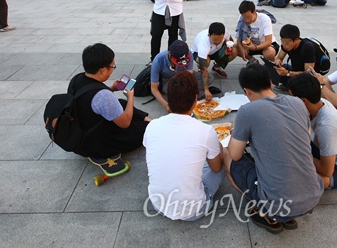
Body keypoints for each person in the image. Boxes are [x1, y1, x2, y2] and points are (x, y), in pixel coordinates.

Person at [222, 64, 323, 234]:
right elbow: (303, 138)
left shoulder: (247, 111)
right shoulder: (298, 103)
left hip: (277, 203)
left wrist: (235, 131)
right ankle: (287, 213)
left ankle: (266, 212)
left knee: (225, 156)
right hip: (313, 194)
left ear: (247, 91)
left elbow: (235, 154)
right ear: (270, 82)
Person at [143, 71, 224, 221]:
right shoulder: (206, 131)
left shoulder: (152, 126)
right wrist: (219, 148)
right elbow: (216, 168)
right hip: (194, 210)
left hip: (157, 204)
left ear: (168, 99)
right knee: (221, 161)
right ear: (195, 100)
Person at [68, 43, 150, 176]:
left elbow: (91, 100)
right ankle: (149, 124)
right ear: (103, 70)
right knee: (144, 128)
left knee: (120, 102)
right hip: (99, 141)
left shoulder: (77, 79)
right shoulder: (103, 96)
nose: (113, 69)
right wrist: (131, 98)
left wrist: (111, 88)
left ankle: (149, 120)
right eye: (112, 66)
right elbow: (125, 123)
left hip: (83, 128)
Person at [288, 72, 337, 189]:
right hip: (325, 150)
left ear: (304, 101)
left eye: (291, 97)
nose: (289, 101)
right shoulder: (319, 102)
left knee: (293, 172)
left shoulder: (327, 127)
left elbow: (327, 171)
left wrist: (297, 154)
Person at [150, 40, 216, 111]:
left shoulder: (189, 54)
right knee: (174, 92)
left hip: (184, 75)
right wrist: (166, 105)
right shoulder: (158, 60)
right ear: (169, 54)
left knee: (209, 77)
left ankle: (191, 94)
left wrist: (204, 89)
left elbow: (189, 76)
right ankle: (195, 93)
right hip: (169, 80)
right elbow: (154, 88)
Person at [271, 24, 318, 89]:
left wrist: (287, 73)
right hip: (295, 70)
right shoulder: (285, 46)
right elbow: (279, 58)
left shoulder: (307, 48)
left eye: (287, 43)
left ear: (296, 39)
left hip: (311, 76)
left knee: (301, 84)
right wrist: (278, 62)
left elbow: (308, 73)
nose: (284, 45)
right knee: (273, 69)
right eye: (282, 41)